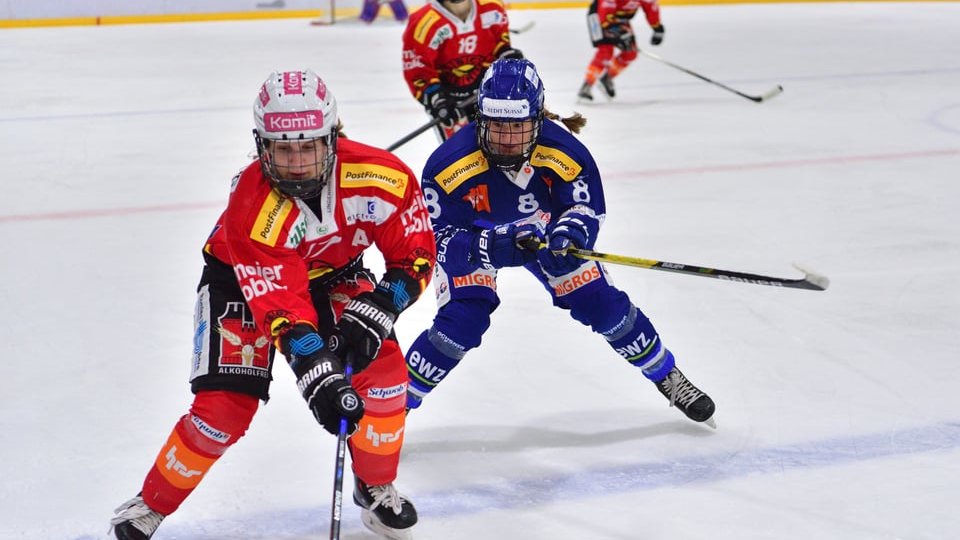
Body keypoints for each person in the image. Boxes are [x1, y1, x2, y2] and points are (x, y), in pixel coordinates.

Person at [107, 69, 436, 540]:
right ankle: (152, 503)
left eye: (309, 147)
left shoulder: (382, 176)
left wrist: (386, 302)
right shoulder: (250, 201)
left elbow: (417, 252)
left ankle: (376, 484)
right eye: (284, 149)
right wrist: (313, 365)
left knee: (384, 374)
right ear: (262, 145)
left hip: (335, 275)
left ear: (332, 137)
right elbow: (280, 302)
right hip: (239, 282)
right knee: (224, 408)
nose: (298, 164)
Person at [404, 58, 716, 430]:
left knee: (602, 306)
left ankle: (666, 374)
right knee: (462, 322)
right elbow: (435, 239)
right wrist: (486, 247)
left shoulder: (564, 150)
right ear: (481, 118)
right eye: (497, 125)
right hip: (477, 237)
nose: (506, 138)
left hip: (544, 235)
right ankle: (394, 406)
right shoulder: (448, 164)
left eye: (517, 126)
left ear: (537, 120)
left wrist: (569, 236)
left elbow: (584, 206)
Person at [401, 0, 524, 142]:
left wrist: (507, 54)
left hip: (488, 93)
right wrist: (438, 100)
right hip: (449, 101)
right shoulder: (424, 23)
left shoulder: (491, 8)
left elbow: (500, 44)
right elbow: (419, 72)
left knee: (502, 147)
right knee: (461, 157)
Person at [578, 0, 665, 100]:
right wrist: (618, 32)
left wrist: (657, 28)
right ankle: (587, 85)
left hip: (620, 20)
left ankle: (607, 77)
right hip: (599, 16)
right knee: (605, 51)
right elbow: (604, 15)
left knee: (631, 53)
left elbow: (650, 7)